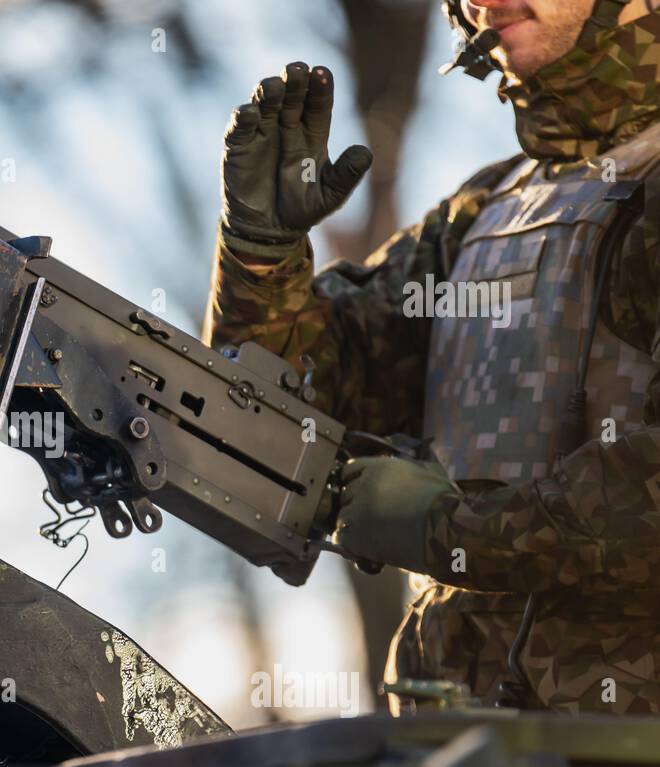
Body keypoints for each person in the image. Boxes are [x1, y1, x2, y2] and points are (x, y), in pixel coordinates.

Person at [203, 0, 660, 714]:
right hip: (446, 763)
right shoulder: (483, 213)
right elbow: (287, 418)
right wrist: (262, 263)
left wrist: (448, 531)